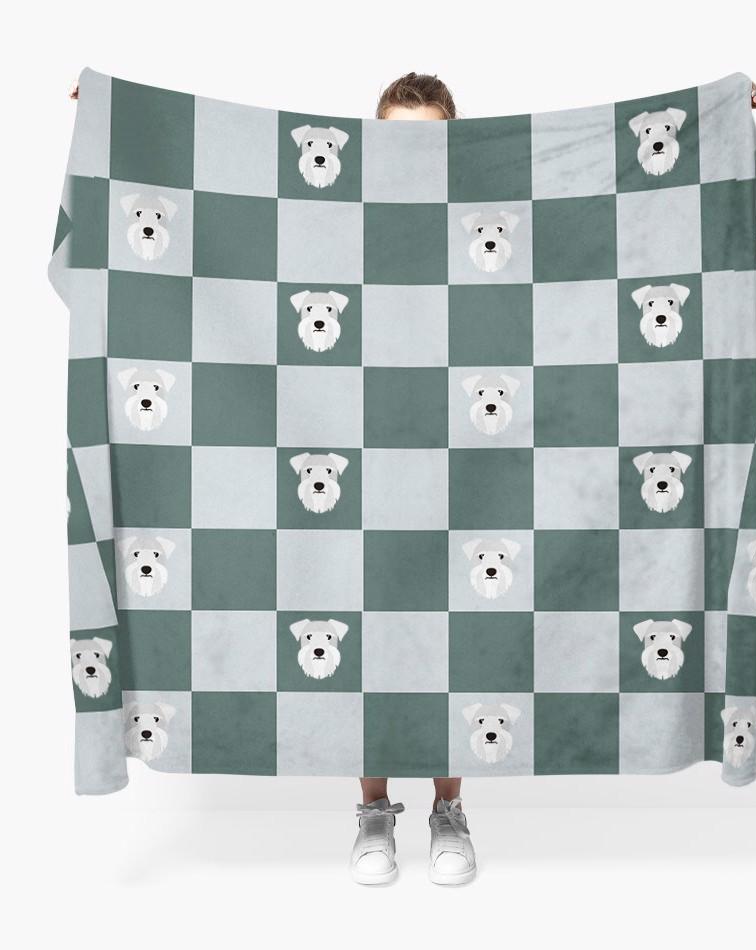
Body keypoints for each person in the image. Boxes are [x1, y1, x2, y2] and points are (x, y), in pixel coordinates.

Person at [348, 72, 475, 887]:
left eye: (430, 139)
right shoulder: (344, 216)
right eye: (397, 138)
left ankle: (449, 811)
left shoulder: (487, 219)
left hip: (465, 448)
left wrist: (719, 120)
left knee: (454, 632)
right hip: (363, 442)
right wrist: (115, 121)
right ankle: (372, 813)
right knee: (370, 626)